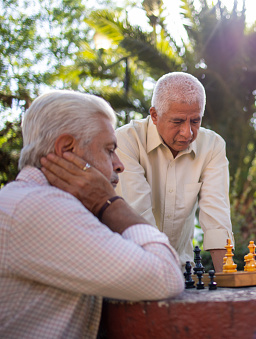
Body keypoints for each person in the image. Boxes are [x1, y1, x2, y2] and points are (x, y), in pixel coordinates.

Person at [0, 90, 184, 338]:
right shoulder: (41, 207)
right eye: (109, 150)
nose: (119, 164)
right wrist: (109, 202)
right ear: (67, 149)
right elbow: (166, 275)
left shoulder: (26, 200)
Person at [115, 72, 233, 271]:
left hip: (181, 269)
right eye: (177, 122)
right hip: (128, 267)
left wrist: (227, 279)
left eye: (195, 121)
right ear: (154, 115)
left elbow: (216, 215)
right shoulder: (125, 141)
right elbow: (139, 215)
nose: (187, 132)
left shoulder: (212, 146)